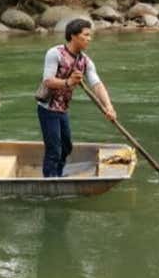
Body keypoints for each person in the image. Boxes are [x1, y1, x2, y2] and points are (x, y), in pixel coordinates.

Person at [36, 18, 117, 177]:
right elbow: (48, 80)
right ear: (73, 36)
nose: (89, 39)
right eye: (86, 35)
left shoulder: (85, 61)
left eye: (90, 35)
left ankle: (57, 175)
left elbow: (97, 85)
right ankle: (50, 181)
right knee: (54, 150)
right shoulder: (55, 53)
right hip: (48, 109)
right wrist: (69, 82)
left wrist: (109, 107)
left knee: (66, 147)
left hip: (63, 109)